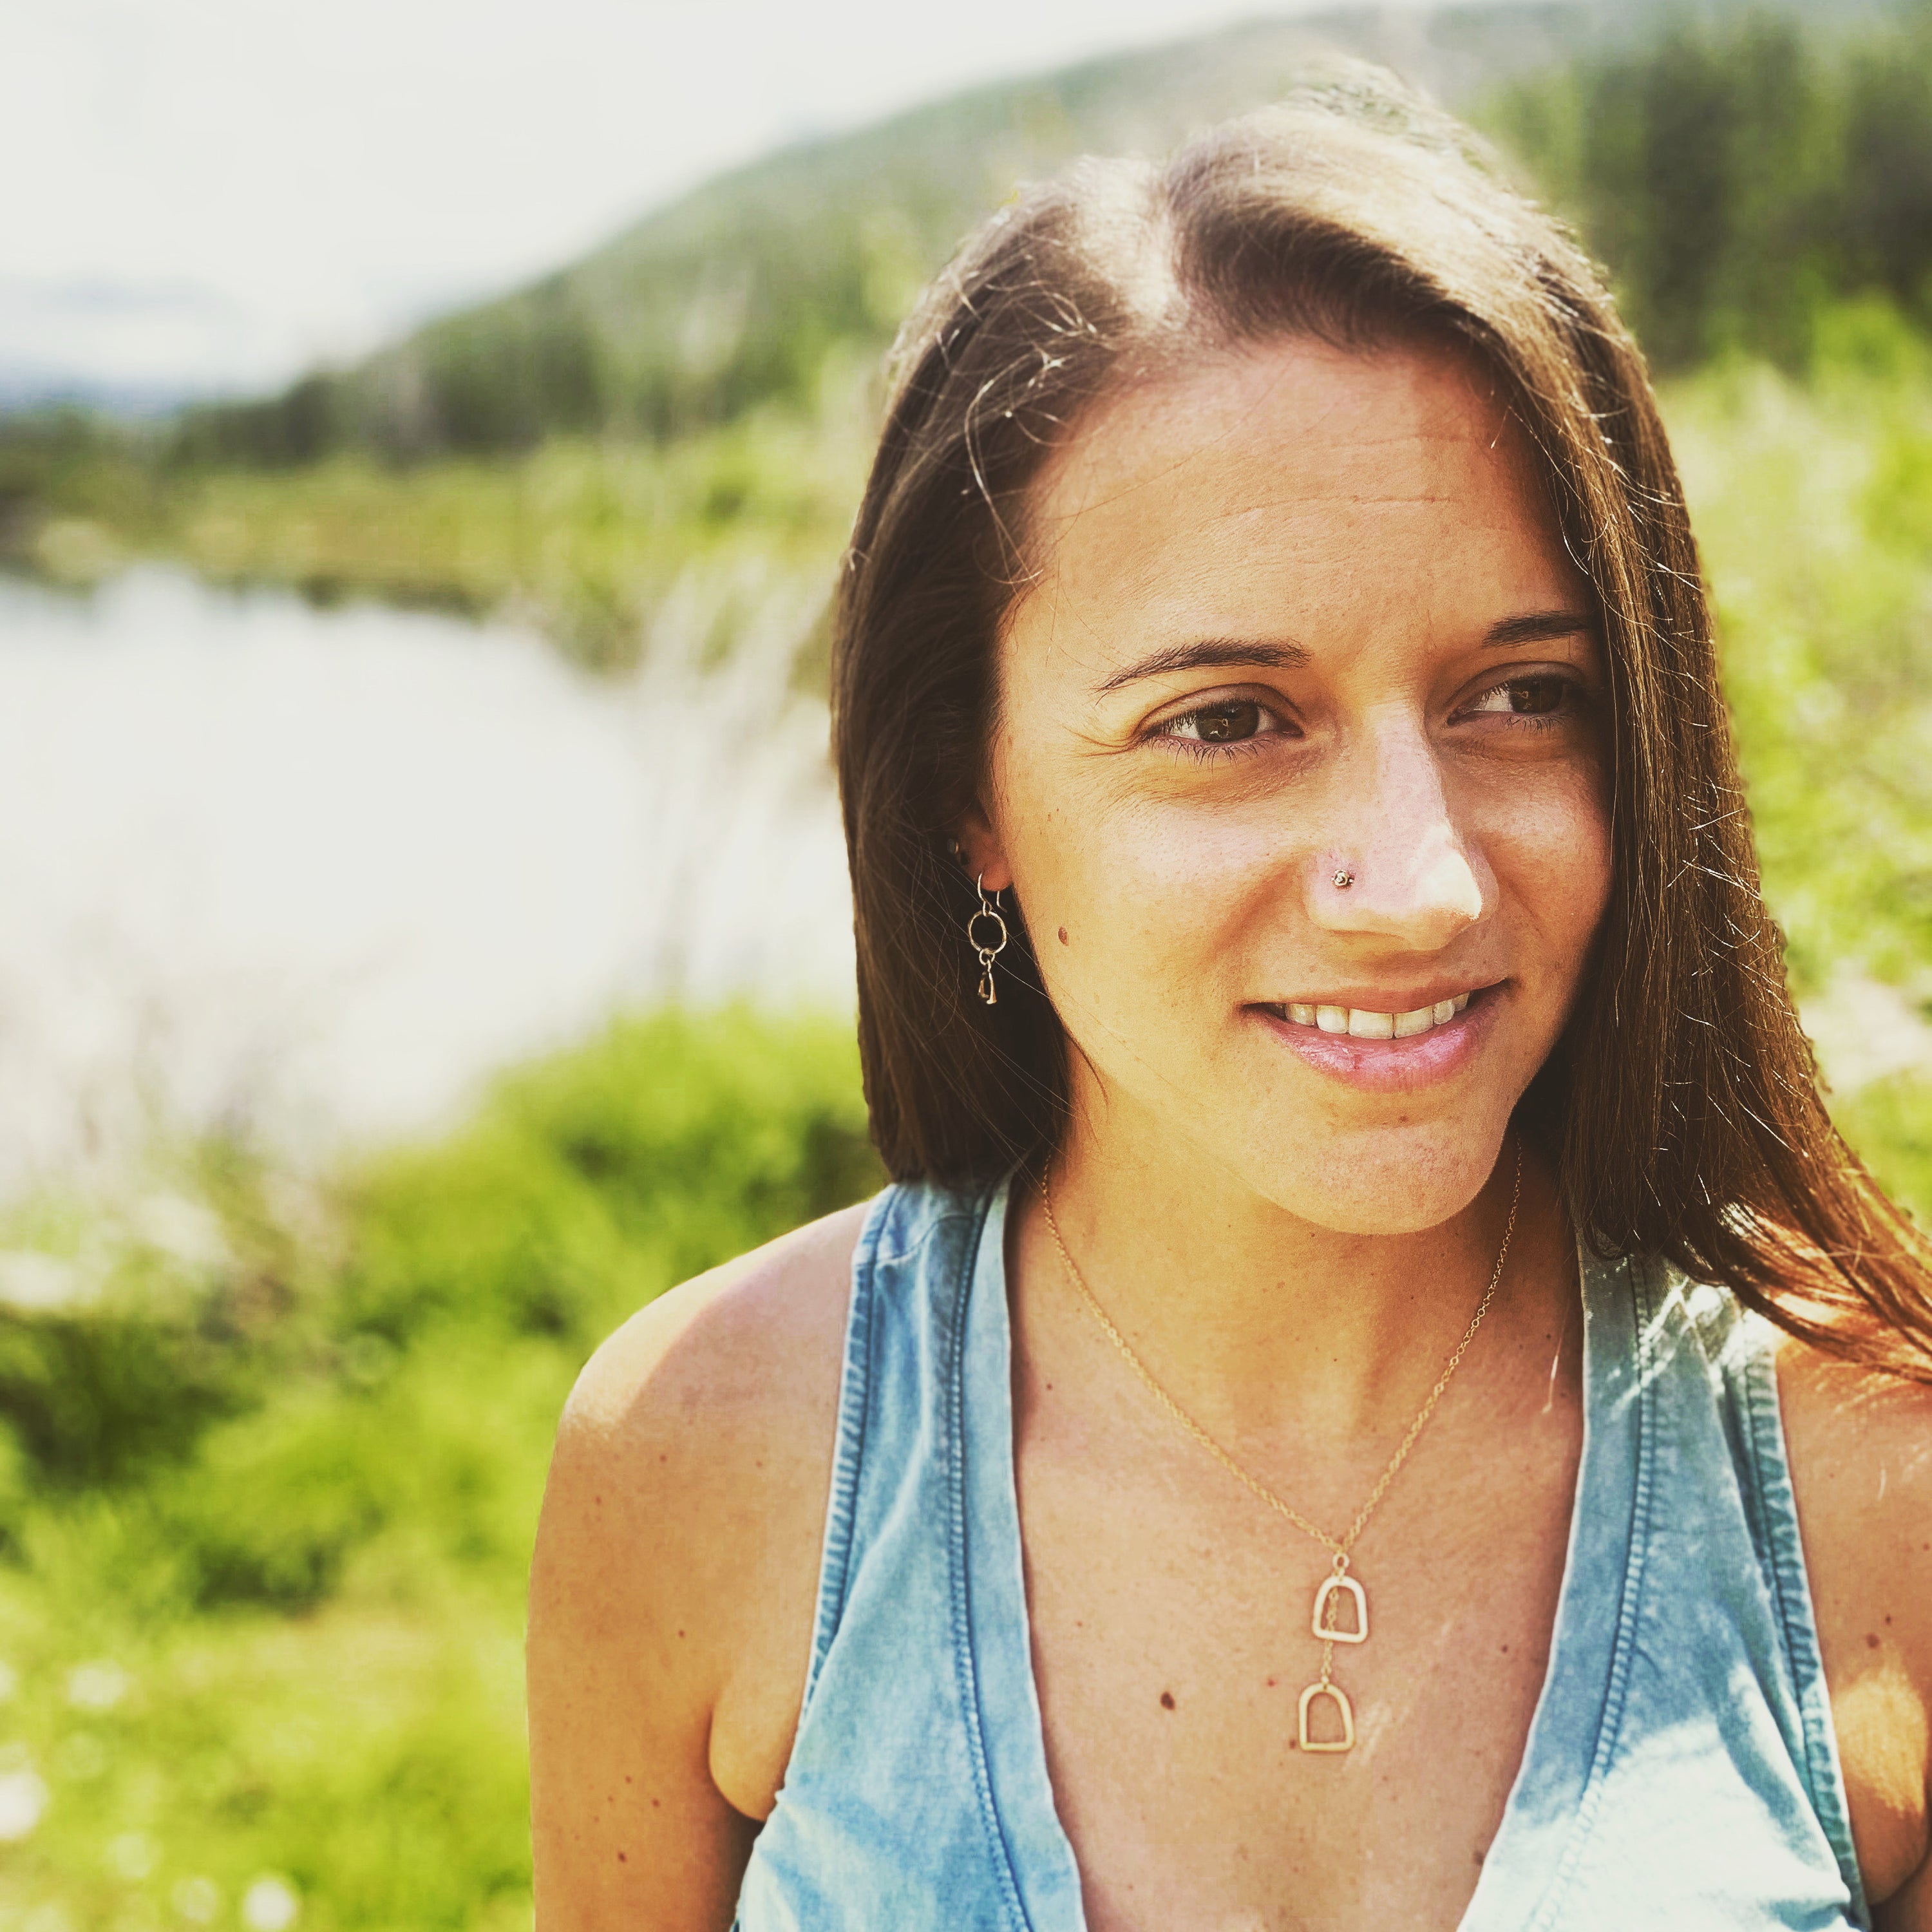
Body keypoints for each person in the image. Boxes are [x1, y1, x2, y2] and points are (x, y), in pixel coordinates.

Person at [526, 69, 1932, 1930]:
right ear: (968, 797)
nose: (1420, 879)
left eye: (1519, 693)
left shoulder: (1874, 1478)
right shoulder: (709, 1453)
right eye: (1228, 722)